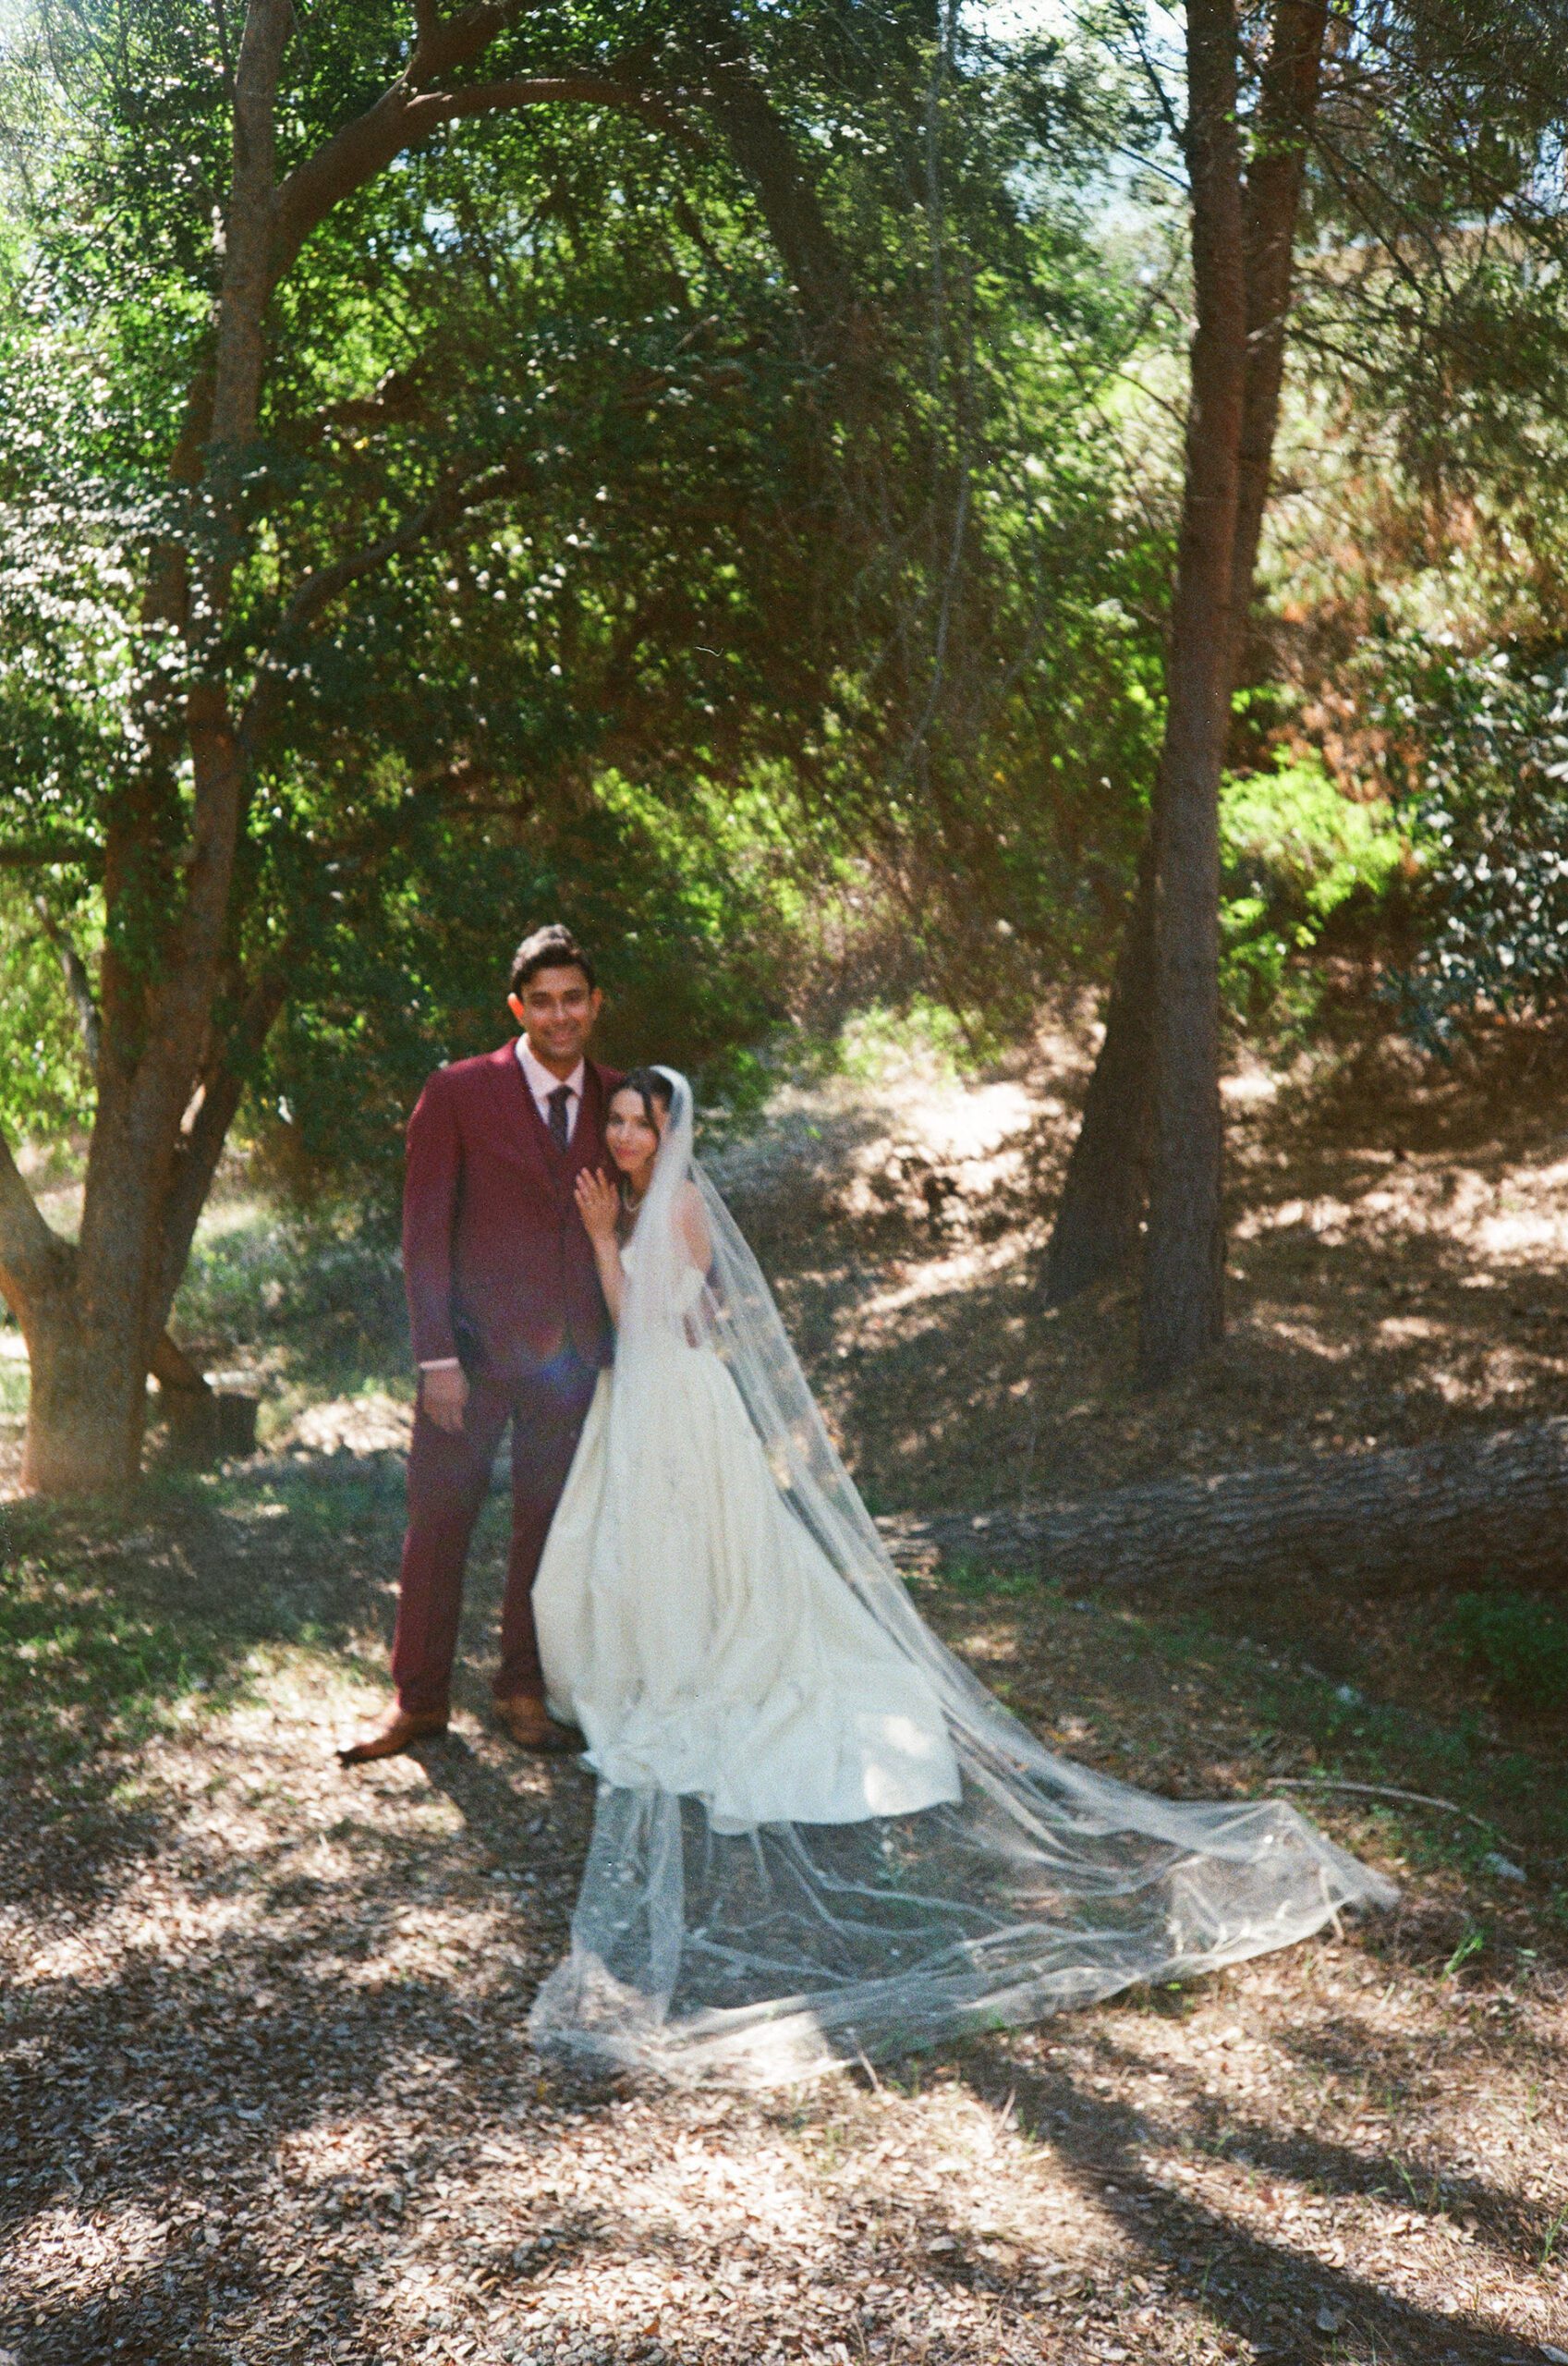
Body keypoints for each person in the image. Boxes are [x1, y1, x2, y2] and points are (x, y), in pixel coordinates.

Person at [527, 1067, 1398, 2087]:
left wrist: (603, 1239)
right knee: (654, 1559)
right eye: (617, 1120)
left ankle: (706, 1675)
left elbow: (658, 1323)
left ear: (671, 1130)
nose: (625, 1135)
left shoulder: (674, 1204)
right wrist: (608, 1232)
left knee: (705, 1560)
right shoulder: (640, 1203)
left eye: (641, 1122)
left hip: (678, 1402)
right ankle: (655, 1668)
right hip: (648, 1401)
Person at [337, 927, 623, 1764]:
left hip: (573, 1361)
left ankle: (522, 1688)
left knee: (548, 1525)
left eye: (573, 999)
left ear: (595, 1004)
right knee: (439, 1519)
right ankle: (417, 1700)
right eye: (542, 1002)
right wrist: (436, 1359)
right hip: (468, 1357)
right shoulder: (458, 1091)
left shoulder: (620, 1099)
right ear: (516, 1008)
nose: (559, 1016)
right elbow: (424, 1233)